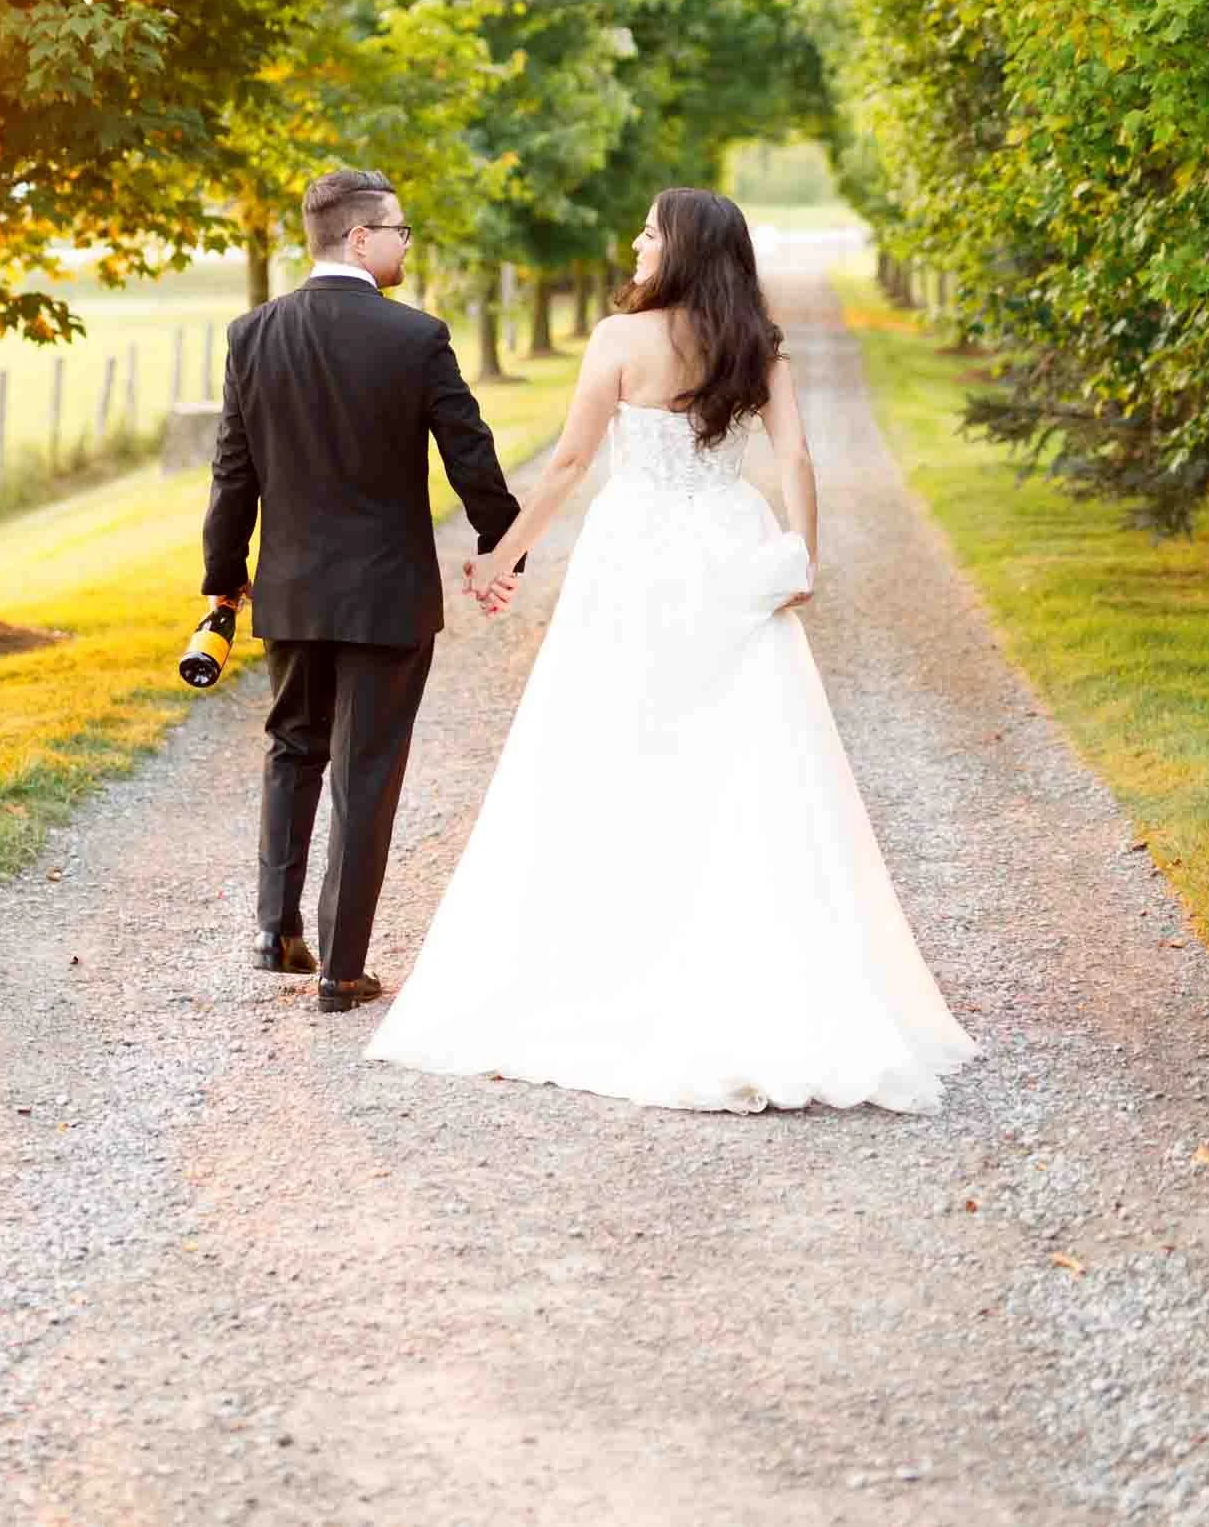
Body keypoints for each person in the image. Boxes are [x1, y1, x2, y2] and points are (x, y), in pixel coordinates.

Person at [366, 186, 980, 1113]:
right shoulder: (757, 346)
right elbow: (797, 460)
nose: (636, 241)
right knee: (745, 754)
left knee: (614, 742)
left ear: (684, 248)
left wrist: (504, 557)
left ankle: (607, 967)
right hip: (730, 546)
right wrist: (801, 556)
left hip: (636, 556)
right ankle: (752, 973)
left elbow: (569, 464)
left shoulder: (620, 342)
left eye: (650, 231)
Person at [199, 167, 522, 1012]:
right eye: (401, 231)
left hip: (294, 592)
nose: (407, 244)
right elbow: (470, 454)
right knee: (365, 773)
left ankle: (277, 931)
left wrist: (224, 579)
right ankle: (342, 969)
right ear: (359, 238)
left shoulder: (251, 335)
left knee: (294, 746)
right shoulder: (415, 339)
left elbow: (233, 474)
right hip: (387, 597)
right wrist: (503, 545)